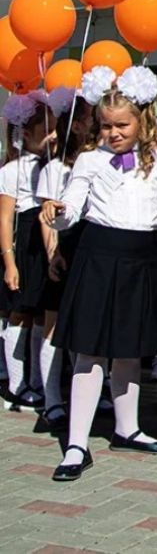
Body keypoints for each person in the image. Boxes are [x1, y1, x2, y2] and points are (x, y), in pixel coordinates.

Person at [43, 66, 157, 481]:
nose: (113, 133)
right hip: (99, 257)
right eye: (106, 125)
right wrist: (58, 214)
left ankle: (128, 427)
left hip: (143, 258)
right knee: (89, 351)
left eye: (121, 125)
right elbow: (73, 208)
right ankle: (77, 442)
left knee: (130, 349)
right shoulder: (90, 160)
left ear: (141, 121)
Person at [33, 88, 93, 433]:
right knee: (54, 325)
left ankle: (90, 392)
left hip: (90, 247)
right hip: (65, 246)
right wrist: (52, 253)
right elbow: (47, 218)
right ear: (76, 125)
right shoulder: (54, 168)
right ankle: (52, 398)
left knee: (83, 324)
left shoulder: (97, 160)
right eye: (89, 118)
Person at [0, 91, 50, 413]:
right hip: (25, 244)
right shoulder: (12, 170)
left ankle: (36, 380)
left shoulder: (52, 166)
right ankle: (17, 385)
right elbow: (5, 217)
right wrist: (9, 262)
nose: (52, 136)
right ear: (26, 133)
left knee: (42, 312)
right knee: (21, 311)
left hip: (44, 245)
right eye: (46, 130)